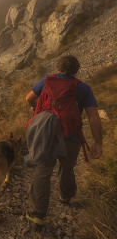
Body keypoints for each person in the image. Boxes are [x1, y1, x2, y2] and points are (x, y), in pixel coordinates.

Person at [25, 55, 102, 228]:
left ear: (58, 67)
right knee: (67, 167)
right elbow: (93, 116)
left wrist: (37, 108)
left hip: (47, 133)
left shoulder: (46, 81)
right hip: (71, 135)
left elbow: (28, 98)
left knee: (43, 170)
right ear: (76, 70)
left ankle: (38, 214)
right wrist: (98, 143)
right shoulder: (83, 88)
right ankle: (66, 196)